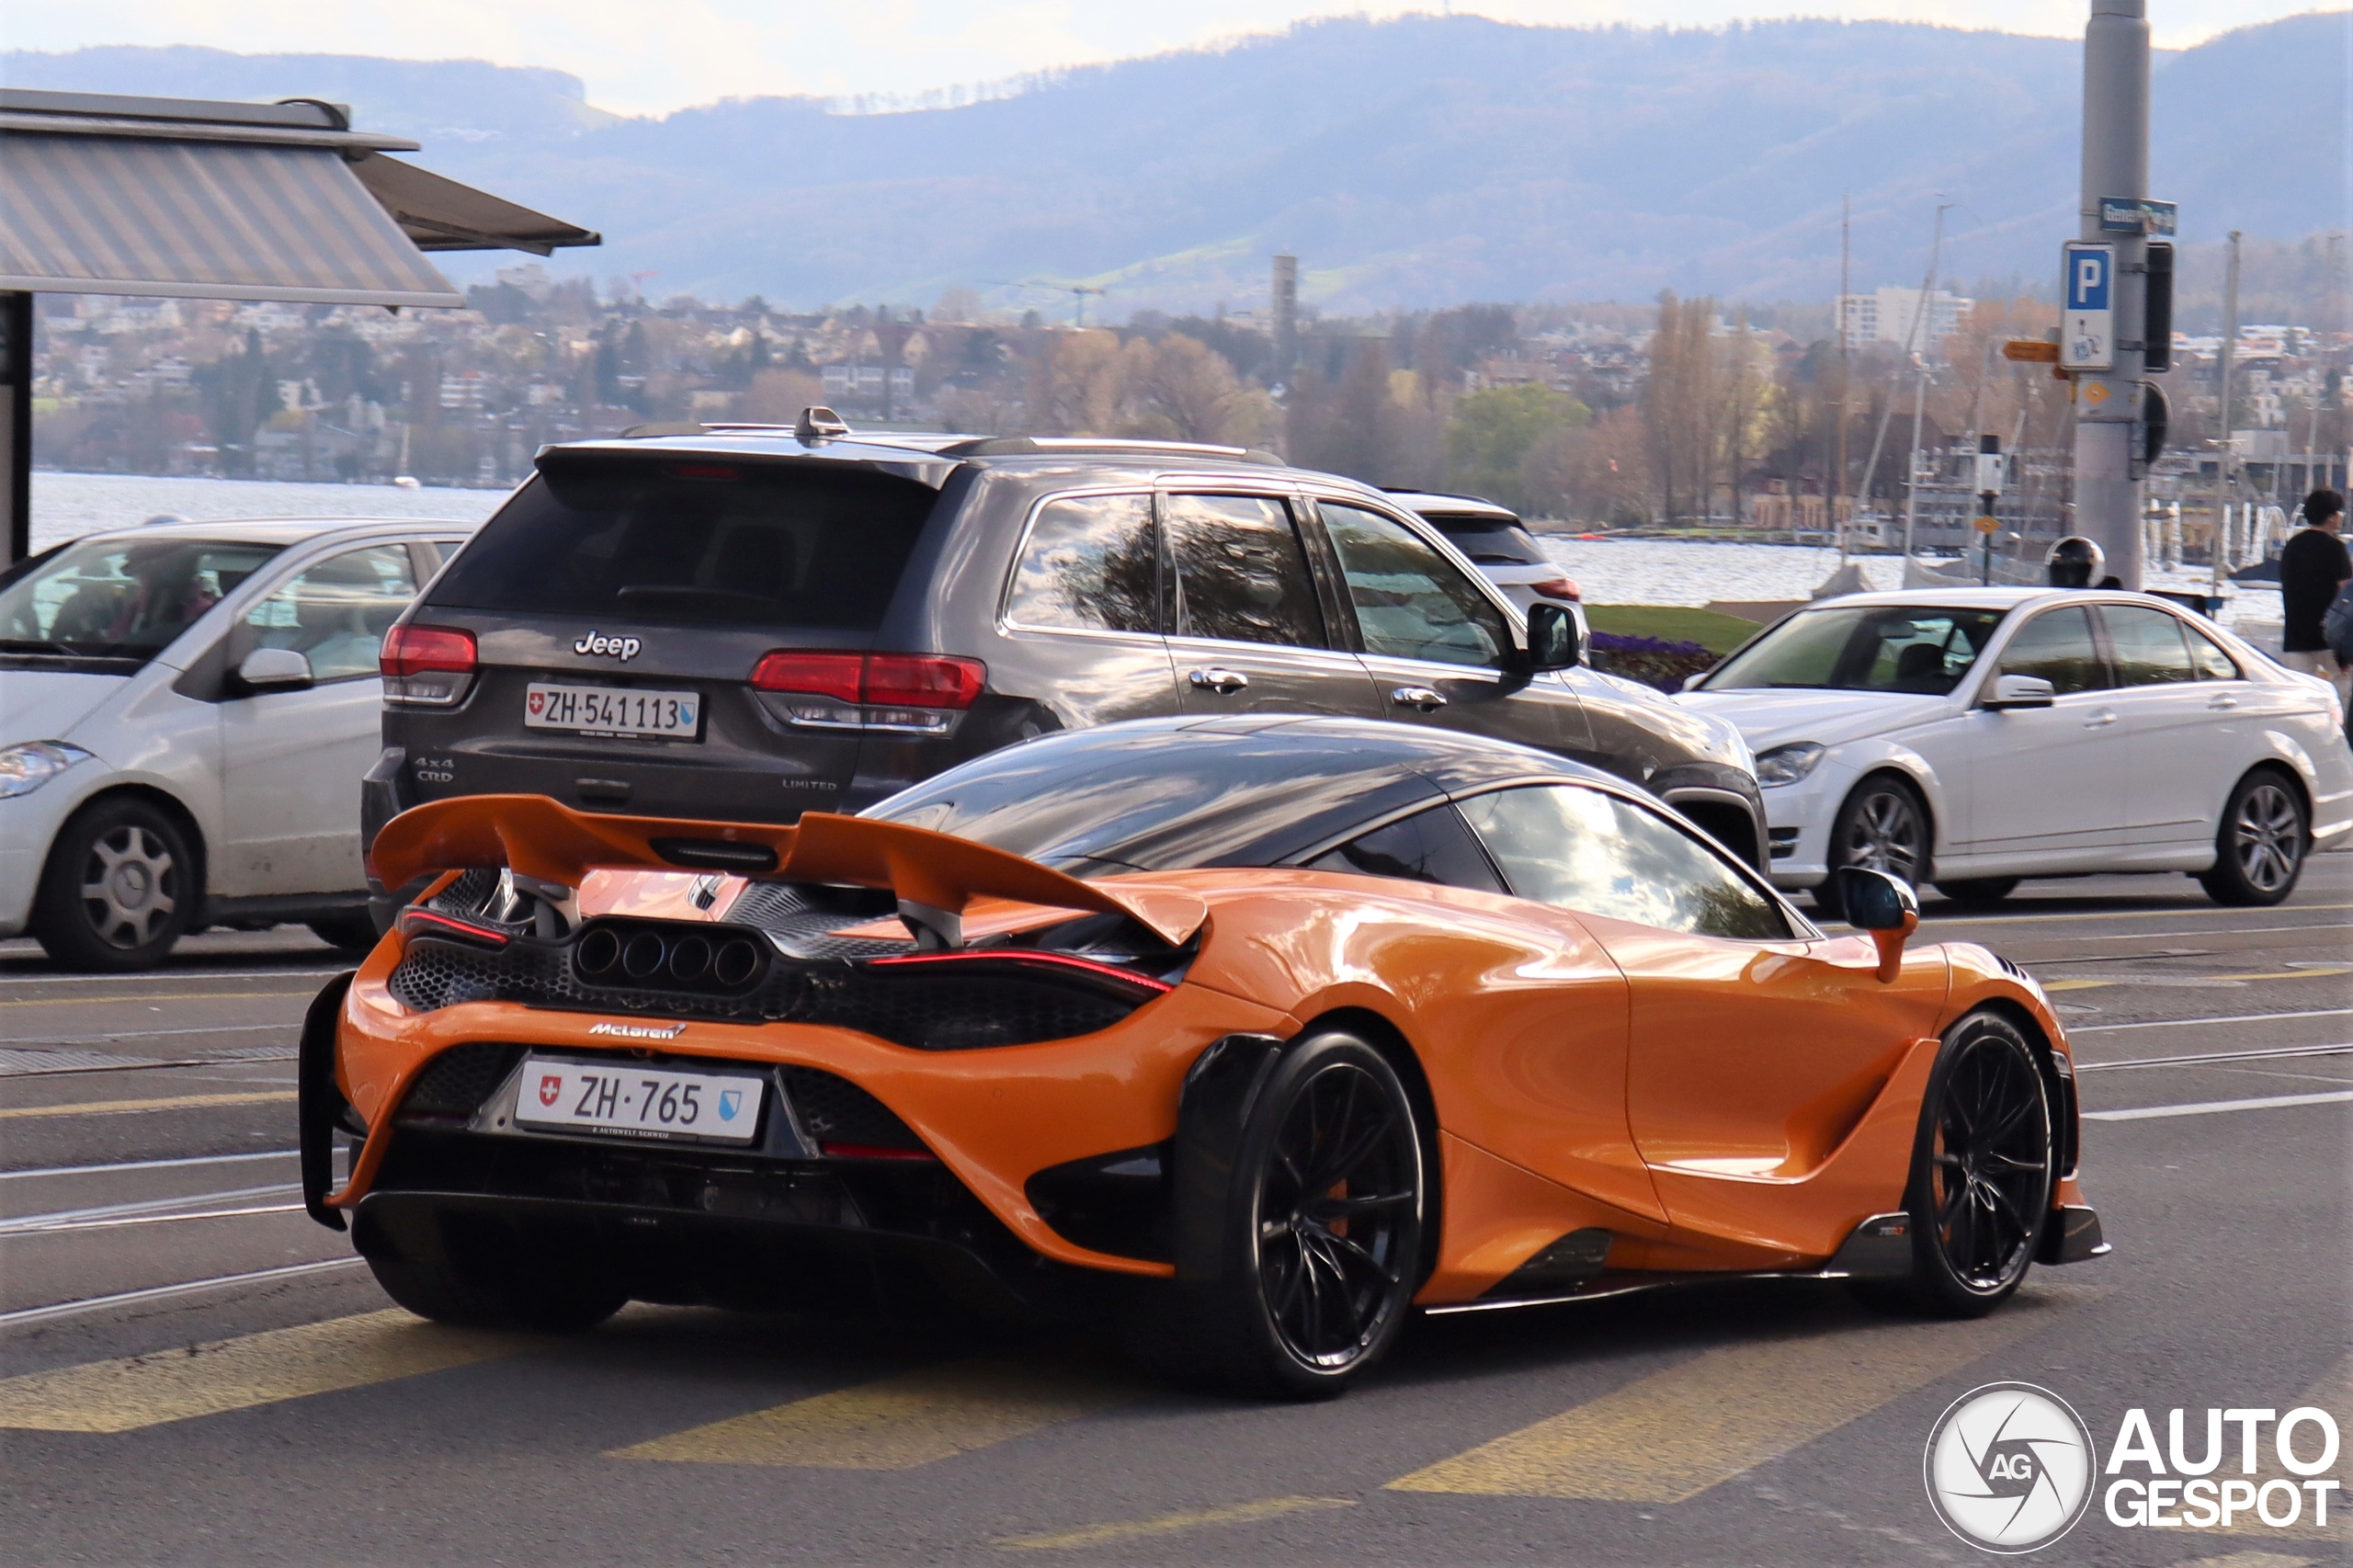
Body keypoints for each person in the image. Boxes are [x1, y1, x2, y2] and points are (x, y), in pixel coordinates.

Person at [2279, 488, 2351, 713]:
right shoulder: (2335, 548)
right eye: (2339, 512)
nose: (2341, 517)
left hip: (2296, 636)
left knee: (2301, 701)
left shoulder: (2292, 546)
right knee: (2342, 692)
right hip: (2330, 638)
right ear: (2331, 517)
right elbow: (2347, 593)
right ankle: (2339, 740)